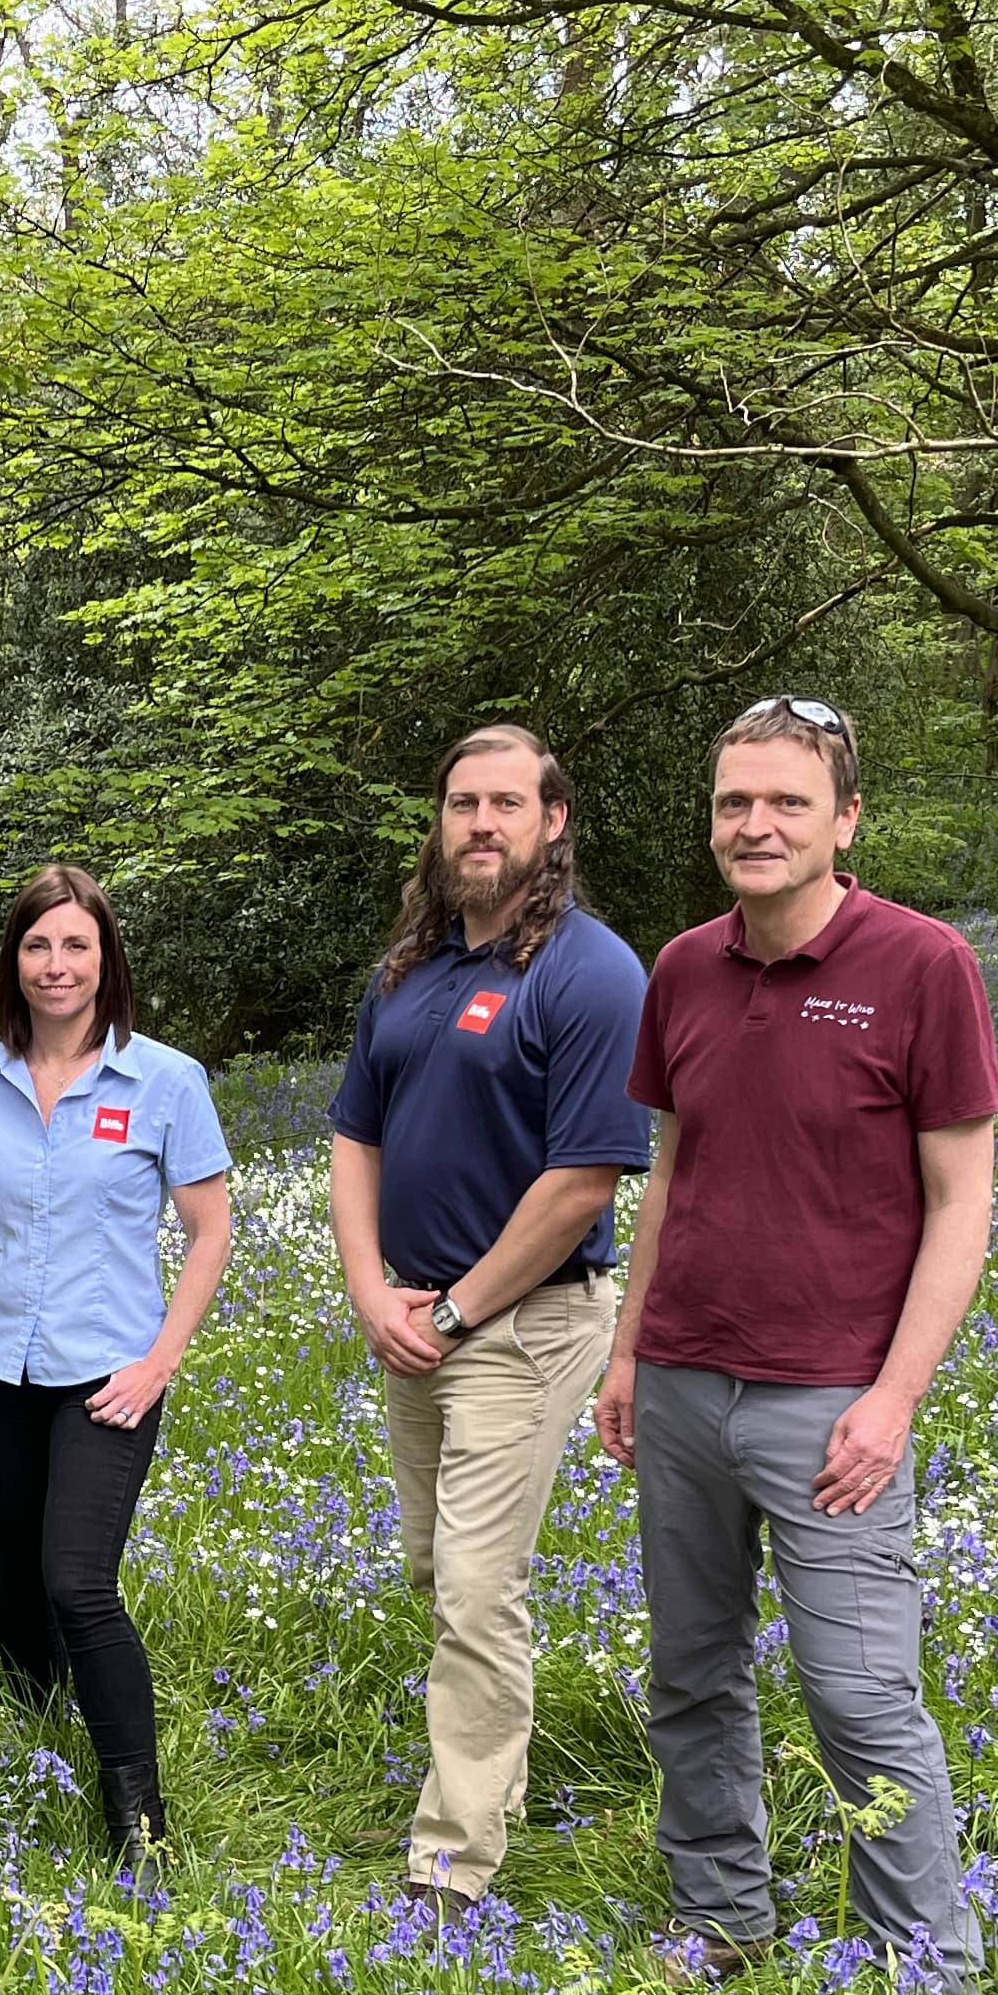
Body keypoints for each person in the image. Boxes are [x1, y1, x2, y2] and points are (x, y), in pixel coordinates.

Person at [592, 697, 998, 1994]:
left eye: (785, 803)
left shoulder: (924, 965)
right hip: (682, 1383)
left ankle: (927, 1981)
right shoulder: (684, 970)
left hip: (830, 1404)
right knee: (691, 1678)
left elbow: (963, 1203)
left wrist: (893, 1401)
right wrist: (625, 1355)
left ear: (845, 821)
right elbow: (670, 1170)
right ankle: (724, 1919)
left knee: (862, 1696)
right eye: (733, 803)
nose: (755, 825)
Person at [330, 724, 657, 1911]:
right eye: (462, 802)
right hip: (412, 1320)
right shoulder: (410, 969)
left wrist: (459, 1312)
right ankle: (497, 1780)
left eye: (506, 803)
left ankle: (452, 1863)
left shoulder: (591, 972)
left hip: (521, 1328)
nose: (481, 823)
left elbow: (583, 1181)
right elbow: (354, 1137)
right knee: (437, 1572)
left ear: (552, 821)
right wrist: (374, 1293)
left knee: (475, 1588)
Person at [0, 866, 237, 1858]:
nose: (56, 966)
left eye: (76, 947)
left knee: (77, 1583)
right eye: (37, 947)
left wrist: (160, 1363)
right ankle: (35, 1727)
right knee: (15, 1571)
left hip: (111, 1376)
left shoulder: (165, 1081)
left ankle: (137, 1816)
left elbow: (211, 1230)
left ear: (107, 961)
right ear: (13, 963)